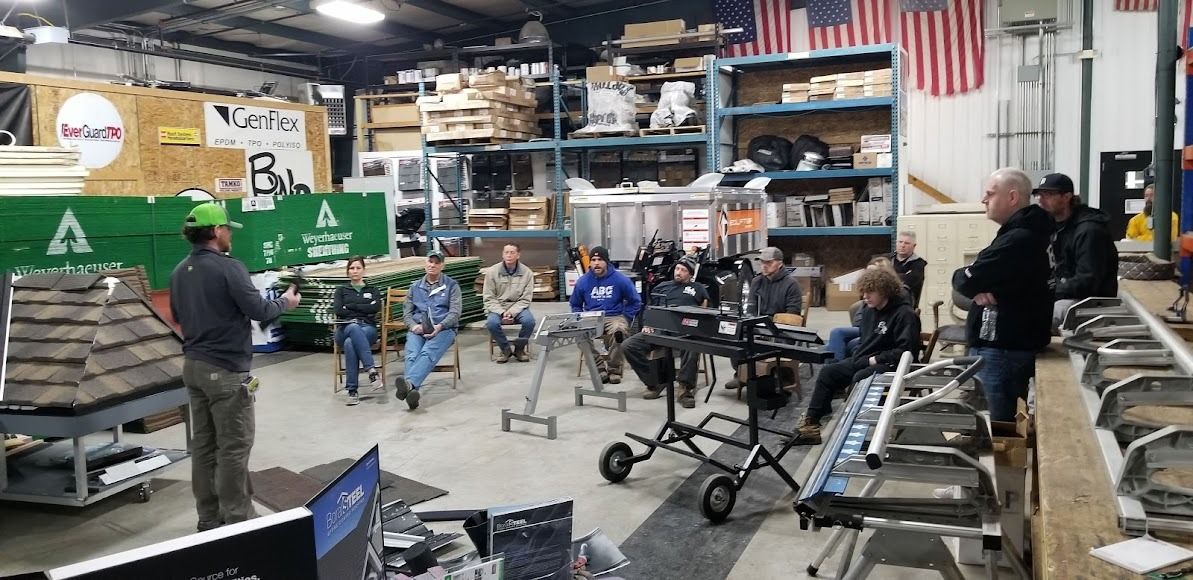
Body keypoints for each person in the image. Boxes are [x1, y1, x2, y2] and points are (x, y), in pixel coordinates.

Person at [169, 202, 300, 531]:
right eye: (227, 229)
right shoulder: (229, 268)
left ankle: (209, 518)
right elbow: (259, 310)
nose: (230, 235)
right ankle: (240, 520)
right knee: (234, 446)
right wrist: (286, 301)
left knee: (204, 446)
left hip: (193, 366)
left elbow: (177, 318)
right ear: (216, 232)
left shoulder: (178, 271)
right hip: (225, 371)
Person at [952, 167, 1053, 421]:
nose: (984, 200)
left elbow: (964, 280)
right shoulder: (1021, 233)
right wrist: (977, 280)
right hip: (1003, 346)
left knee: (997, 426)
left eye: (990, 194)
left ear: (1012, 197)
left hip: (1003, 350)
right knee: (993, 423)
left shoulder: (1019, 239)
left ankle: (1002, 459)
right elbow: (972, 276)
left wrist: (973, 279)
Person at [795, 268, 920, 444]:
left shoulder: (904, 314)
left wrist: (873, 359)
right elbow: (866, 341)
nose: (865, 297)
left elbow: (907, 353)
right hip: (865, 359)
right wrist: (860, 357)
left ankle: (852, 431)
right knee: (828, 372)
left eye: (870, 292)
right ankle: (811, 426)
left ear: (885, 291)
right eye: (863, 292)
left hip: (892, 364)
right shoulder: (869, 311)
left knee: (859, 377)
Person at [1033, 172, 1119, 332]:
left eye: (1049, 194)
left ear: (1066, 197)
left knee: (1036, 316)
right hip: (1060, 293)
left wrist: (1046, 291)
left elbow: (1087, 282)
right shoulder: (1052, 226)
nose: (1041, 200)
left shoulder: (1089, 230)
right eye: (1039, 195)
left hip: (1087, 301)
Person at [623, 257, 709, 408]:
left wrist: (697, 327)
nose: (679, 272)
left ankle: (685, 388)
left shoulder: (698, 288)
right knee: (629, 345)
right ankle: (654, 382)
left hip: (685, 329)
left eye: (683, 270)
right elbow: (650, 309)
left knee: (693, 344)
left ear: (690, 274)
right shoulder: (662, 286)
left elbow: (705, 312)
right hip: (660, 329)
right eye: (677, 269)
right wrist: (647, 325)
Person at [725, 246, 803, 390]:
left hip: (780, 328)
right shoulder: (757, 281)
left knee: (778, 340)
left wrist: (772, 324)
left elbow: (793, 316)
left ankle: (778, 376)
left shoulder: (791, 285)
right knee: (736, 333)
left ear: (780, 263)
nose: (764, 266)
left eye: (769, 262)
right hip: (759, 325)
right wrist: (752, 322)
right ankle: (741, 373)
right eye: (762, 262)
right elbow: (751, 308)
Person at [394, 251, 462, 410]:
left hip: (444, 329)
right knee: (412, 354)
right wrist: (413, 326)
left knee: (428, 352)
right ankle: (412, 393)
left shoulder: (452, 286)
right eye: (430, 262)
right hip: (418, 328)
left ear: (442, 266)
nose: (432, 265)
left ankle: (409, 384)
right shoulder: (415, 286)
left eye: (436, 263)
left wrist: (440, 326)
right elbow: (407, 313)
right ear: (425, 263)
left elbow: (455, 312)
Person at [569, 245, 641, 384]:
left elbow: (635, 301)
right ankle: (598, 368)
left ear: (607, 262)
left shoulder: (620, 279)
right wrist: (579, 317)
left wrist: (626, 317)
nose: (596, 263)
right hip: (591, 317)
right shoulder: (583, 281)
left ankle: (614, 369)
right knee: (579, 334)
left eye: (600, 259)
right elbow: (575, 304)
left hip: (614, 316)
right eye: (593, 259)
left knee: (619, 331)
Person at [333, 256, 382, 406]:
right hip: (344, 328)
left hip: (367, 328)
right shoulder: (341, 290)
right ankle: (371, 370)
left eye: (358, 268)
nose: (355, 271)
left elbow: (375, 308)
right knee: (352, 329)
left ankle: (352, 391)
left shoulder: (372, 289)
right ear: (347, 272)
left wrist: (352, 306)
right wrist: (363, 308)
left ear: (364, 270)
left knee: (350, 343)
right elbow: (338, 310)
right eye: (352, 268)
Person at [482, 243, 535, 364]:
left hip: (519, 307)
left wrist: (512, 312)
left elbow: (526, 298)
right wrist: (502, 312)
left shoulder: (527, 273)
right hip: (498, 306)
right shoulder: (492, 272)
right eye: (506, 252)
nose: (509, 255)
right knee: (491, 323)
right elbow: (488, 297)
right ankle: (505, 349)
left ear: (518, 255)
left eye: (512, 252)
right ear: (502, 254)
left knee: (529, 322)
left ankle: (519, 349)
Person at [891, 231, 927, 307]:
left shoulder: (918, 264)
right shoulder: (888, 259)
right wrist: (902, 276)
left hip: (906, 303)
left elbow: (910, 283)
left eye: (907, 243)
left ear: (914, 246)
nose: (902, 245)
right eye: (900, 242)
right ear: (896, 243)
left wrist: (889, 276)